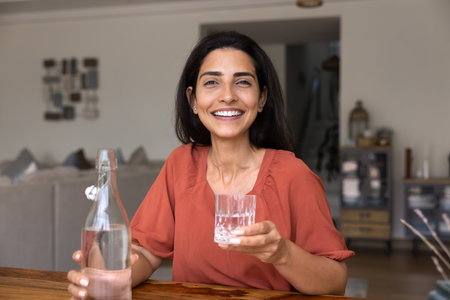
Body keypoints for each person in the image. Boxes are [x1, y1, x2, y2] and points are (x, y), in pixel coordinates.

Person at [68, 31, 354, 298]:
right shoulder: (181, 164)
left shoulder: (293, 175)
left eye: (242, 82)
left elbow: (335, 282)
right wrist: (108, 277)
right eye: (212, 82)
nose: (227, 95)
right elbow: (146, 253)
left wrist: (282, 253)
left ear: (262, 97)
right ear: (193, 99)